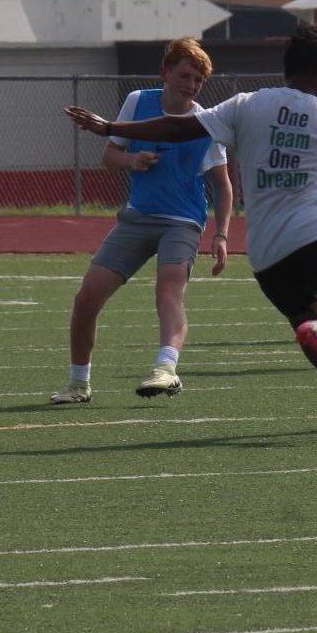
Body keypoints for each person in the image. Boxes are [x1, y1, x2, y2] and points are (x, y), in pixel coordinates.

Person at [65, 24, 317, 423]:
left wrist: (111, 128)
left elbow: (179, 127)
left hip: (267, 253)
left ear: (288, 67)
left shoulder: (246, 104)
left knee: (304, 324)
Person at [51, 38, 233, 405]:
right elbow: (110, 155)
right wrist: (132, 161)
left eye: (198, 80)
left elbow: (222, 184)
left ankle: (166, 368)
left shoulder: (206, 122)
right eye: (185, 75)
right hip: (136, 218)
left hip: (182, 221)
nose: (191, 85)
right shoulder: (138, 101)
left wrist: (222, 234)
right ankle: (78, 384)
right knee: (86, 299)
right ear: (165, 73)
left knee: (168, 290)